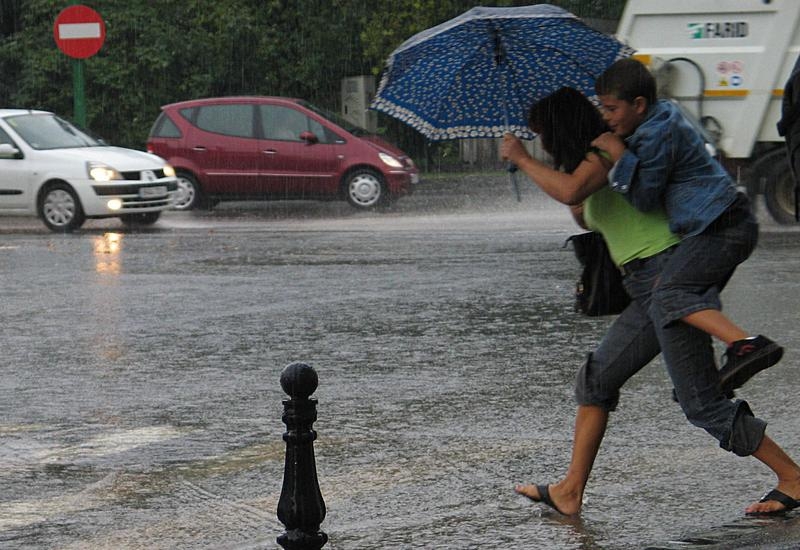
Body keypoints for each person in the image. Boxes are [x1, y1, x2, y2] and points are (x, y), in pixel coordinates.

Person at [500, 87, 800, 516]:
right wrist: (550, 174)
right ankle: (569, 490)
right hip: (645, 287)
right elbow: (584, 210)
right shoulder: (591, 163)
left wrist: (523, 159)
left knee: (701, 401)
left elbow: (569, 192)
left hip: (667, 276)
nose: (539, 144)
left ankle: (793, 477)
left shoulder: (605, 152)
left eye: (540, 135)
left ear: (557, 129)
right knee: (597, 380)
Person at [590, 58, 783, 394]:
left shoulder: (655, 134)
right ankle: (706, 381)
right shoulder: (658, 118)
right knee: (686, 294)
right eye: (601, 109)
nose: (605, 117)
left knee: (670, 293)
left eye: (611, 109)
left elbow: (645, 197)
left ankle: (747, 344)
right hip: (720, 222)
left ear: (638, 105)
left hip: (721, 224)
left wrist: (620, 156)